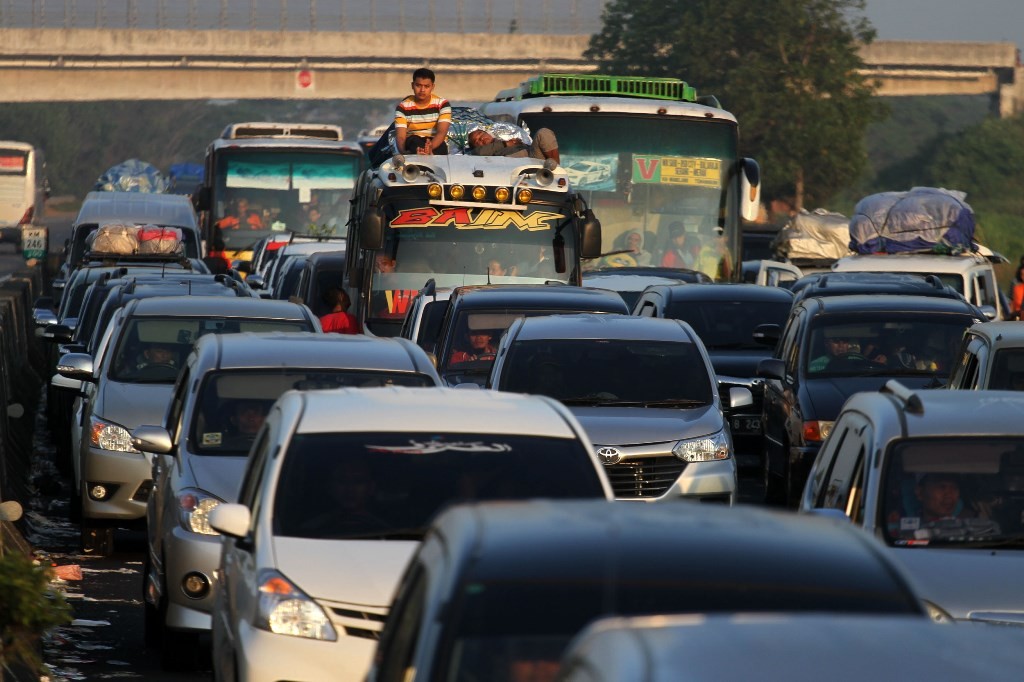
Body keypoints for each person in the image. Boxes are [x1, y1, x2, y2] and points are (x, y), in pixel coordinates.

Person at [394, 67, 451, 155]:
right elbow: (401, 136)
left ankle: (426, 153)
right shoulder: (403, 107)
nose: (422, 90)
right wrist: (404, 153)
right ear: (412, 85)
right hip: (413, 144)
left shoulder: (442, 104)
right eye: (418, 85)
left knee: (442, 145)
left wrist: (430, 147)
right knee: (414, 140)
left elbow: (441, 133)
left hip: (435, 144)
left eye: (426, 86)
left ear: (432, 86)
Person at [466, 127, 560, 164]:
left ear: (488, 133)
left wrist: (521, 144)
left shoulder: (505, 140)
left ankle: (556, 170)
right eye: (477, 141)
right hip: (513, 163)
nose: (481, 139)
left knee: (543, 132)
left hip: (531, 156)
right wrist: (505, 144)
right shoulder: (479, 152)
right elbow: (478, 152)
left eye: (481, 134)